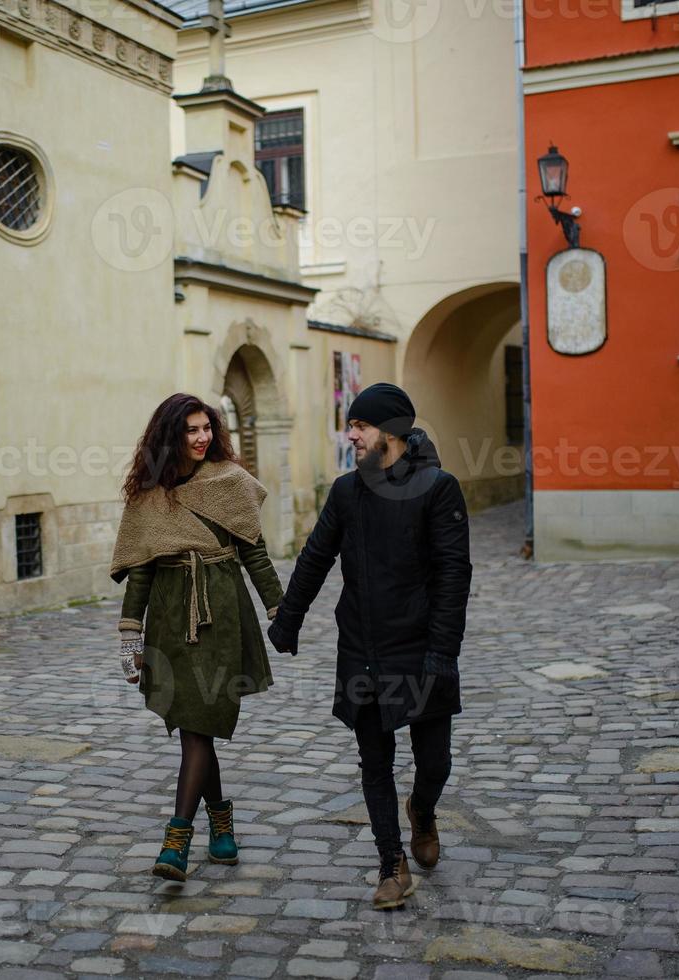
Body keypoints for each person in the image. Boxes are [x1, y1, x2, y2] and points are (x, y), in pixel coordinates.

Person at [267, 382, 471, 910]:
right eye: (350, 424)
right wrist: (289, 620)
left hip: (422, 647)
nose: (350, 433)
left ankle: (422, 811)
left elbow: (454, 575)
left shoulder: (438, 488)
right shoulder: (346, 491)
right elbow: (315, 557)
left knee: (436, 762)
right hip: (362, 648)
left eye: (359, 425)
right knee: (374, 761)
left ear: (391, 432)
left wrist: (442, 652)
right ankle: (391, 864)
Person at [111, 393, 284, 882]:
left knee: (198, 727)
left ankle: (176, 840)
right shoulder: (150, 495)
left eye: (207, 427)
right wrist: (131, 638)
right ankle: (221, 824)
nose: (202, 437)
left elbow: (255, 554)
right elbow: (141, 574)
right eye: (190, 430)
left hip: (223, 614)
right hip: (170, 616)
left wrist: (280, 611)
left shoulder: (230, 482)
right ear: (171, 435)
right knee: (194, 728)